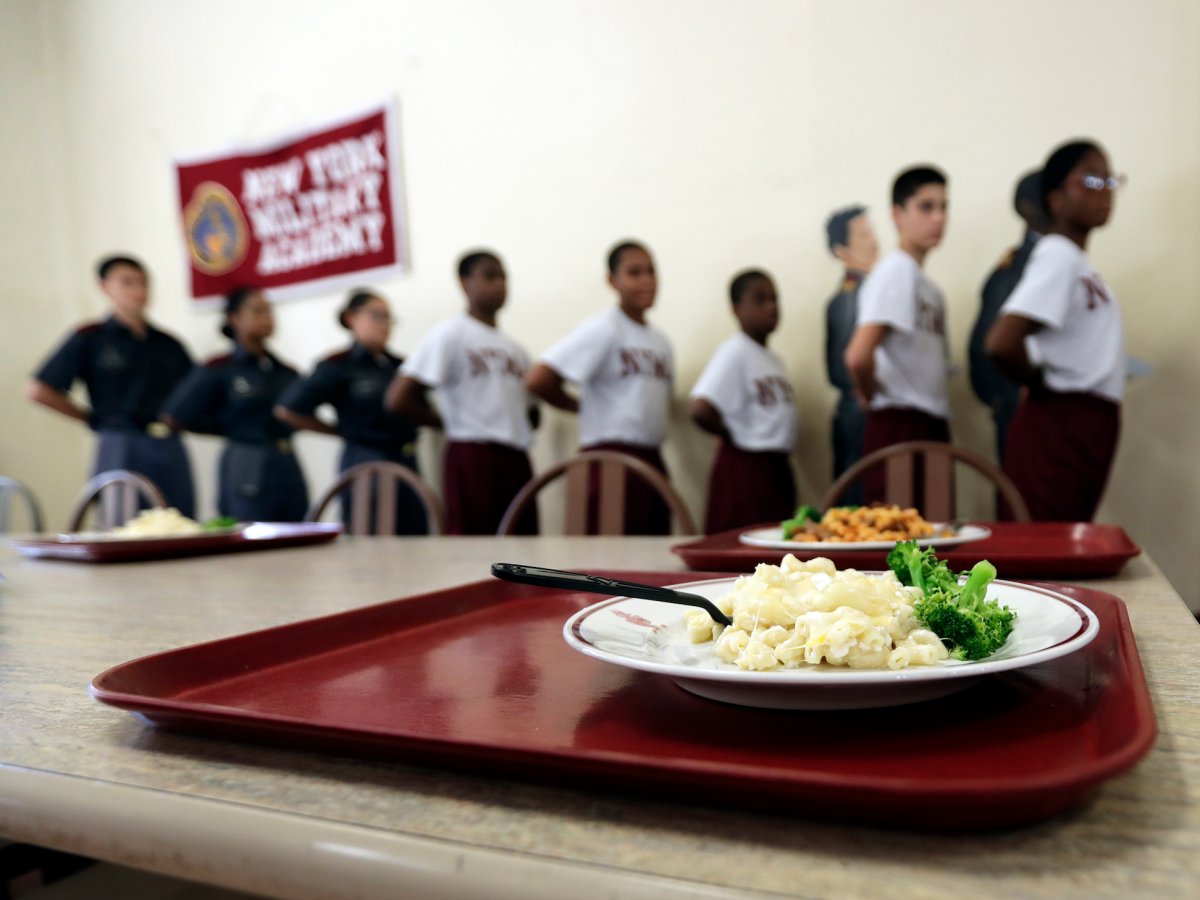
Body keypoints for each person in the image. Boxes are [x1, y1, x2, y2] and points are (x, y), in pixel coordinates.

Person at [986, 140, 1126, 522]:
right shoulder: (1058, 254)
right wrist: (1043, 382)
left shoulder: (1075, 260)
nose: (1106, 190)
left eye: (1110, 179)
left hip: (1083, 420)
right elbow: (1001, 343)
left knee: (1066, 533)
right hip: (1060, 421)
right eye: (1091, 179)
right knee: (1045, 548)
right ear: (1056, 198)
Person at [27, 254, 196, 516]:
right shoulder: (91, 338)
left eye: (143, 283)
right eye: (127, 283)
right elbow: (39, 390)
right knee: (121, 522)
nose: (138, 291)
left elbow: (194, 394)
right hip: (121, 440)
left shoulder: (168, 344)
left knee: (179, 521)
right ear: (105, 287)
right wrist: (90, 418)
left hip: (167, 444)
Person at [525, 240, 675, 534]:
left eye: (651, 271)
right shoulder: (604, 328)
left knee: (651, 546)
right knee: (610, 557)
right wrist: (581, 407)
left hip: (651, 458)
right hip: (611, 458)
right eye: (634, 272)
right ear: (613, 280)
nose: (646, 280)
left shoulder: (661, 341)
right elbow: (539, 379)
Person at [385, 250, 538, 535]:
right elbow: (398, 398)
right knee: (475, 544)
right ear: (465, 282)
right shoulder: (449, 335)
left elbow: (531, 410)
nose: (500, 284)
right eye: (490, 276)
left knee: (523, 542)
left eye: (504, 277)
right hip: (473, 454)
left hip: (515, 457)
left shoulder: (516, 350)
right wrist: (445, 423)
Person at [274, 289, 425, 533]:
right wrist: (339, 431)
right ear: (352, 318)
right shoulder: (339, 365)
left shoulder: (399, 366)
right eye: (377, 316)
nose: (385, 325)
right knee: (371, 539)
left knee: (415, 535)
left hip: (407, 460)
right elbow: (288, 409)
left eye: (389, 318)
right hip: (367, 458)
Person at [844, 166, 951, 503]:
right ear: (897, 214)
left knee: (936, 540)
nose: (938, 218)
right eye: (926, 207)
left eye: (944, 207)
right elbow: (858, 355)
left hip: (930, 422)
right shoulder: (895, 271)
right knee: (898, 540)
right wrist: (869, 393)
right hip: (899, 423)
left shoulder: (931, 289)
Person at [163, 287, 308, 521]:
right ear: (235, 318)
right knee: (249, 531)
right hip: (246, 458)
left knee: (296, 528)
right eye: (257, 310)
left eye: (269, 311)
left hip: (285, 459)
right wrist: (229, 429)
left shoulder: (284, 371)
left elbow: (301, 411)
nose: (267, 317)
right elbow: (175, 415)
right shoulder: (220, 367)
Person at [690, 269, 797, 534]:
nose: (771, 307)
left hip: (775, 469)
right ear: (737, 309)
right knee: (742, 546)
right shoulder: (735, 350)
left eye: (774, 299)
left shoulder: (773, 359)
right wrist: (732, 433)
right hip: (746, 468)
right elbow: (700, 408)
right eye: (760, 300)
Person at [969, 170, 1052, 460]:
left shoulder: (1059, 259)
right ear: (1028, 207)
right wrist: (1001, 399)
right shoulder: (1016, 269)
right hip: (1023, 408)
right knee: (1020, 498)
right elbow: (985, 343)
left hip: (1057, 408)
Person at [823, 205, 879, 500]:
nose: (874, 240)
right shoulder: (850, 298)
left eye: (872, 231)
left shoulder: (869, 290)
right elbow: (845, 367)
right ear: (842, 251)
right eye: (863, 234)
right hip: (859, 412)